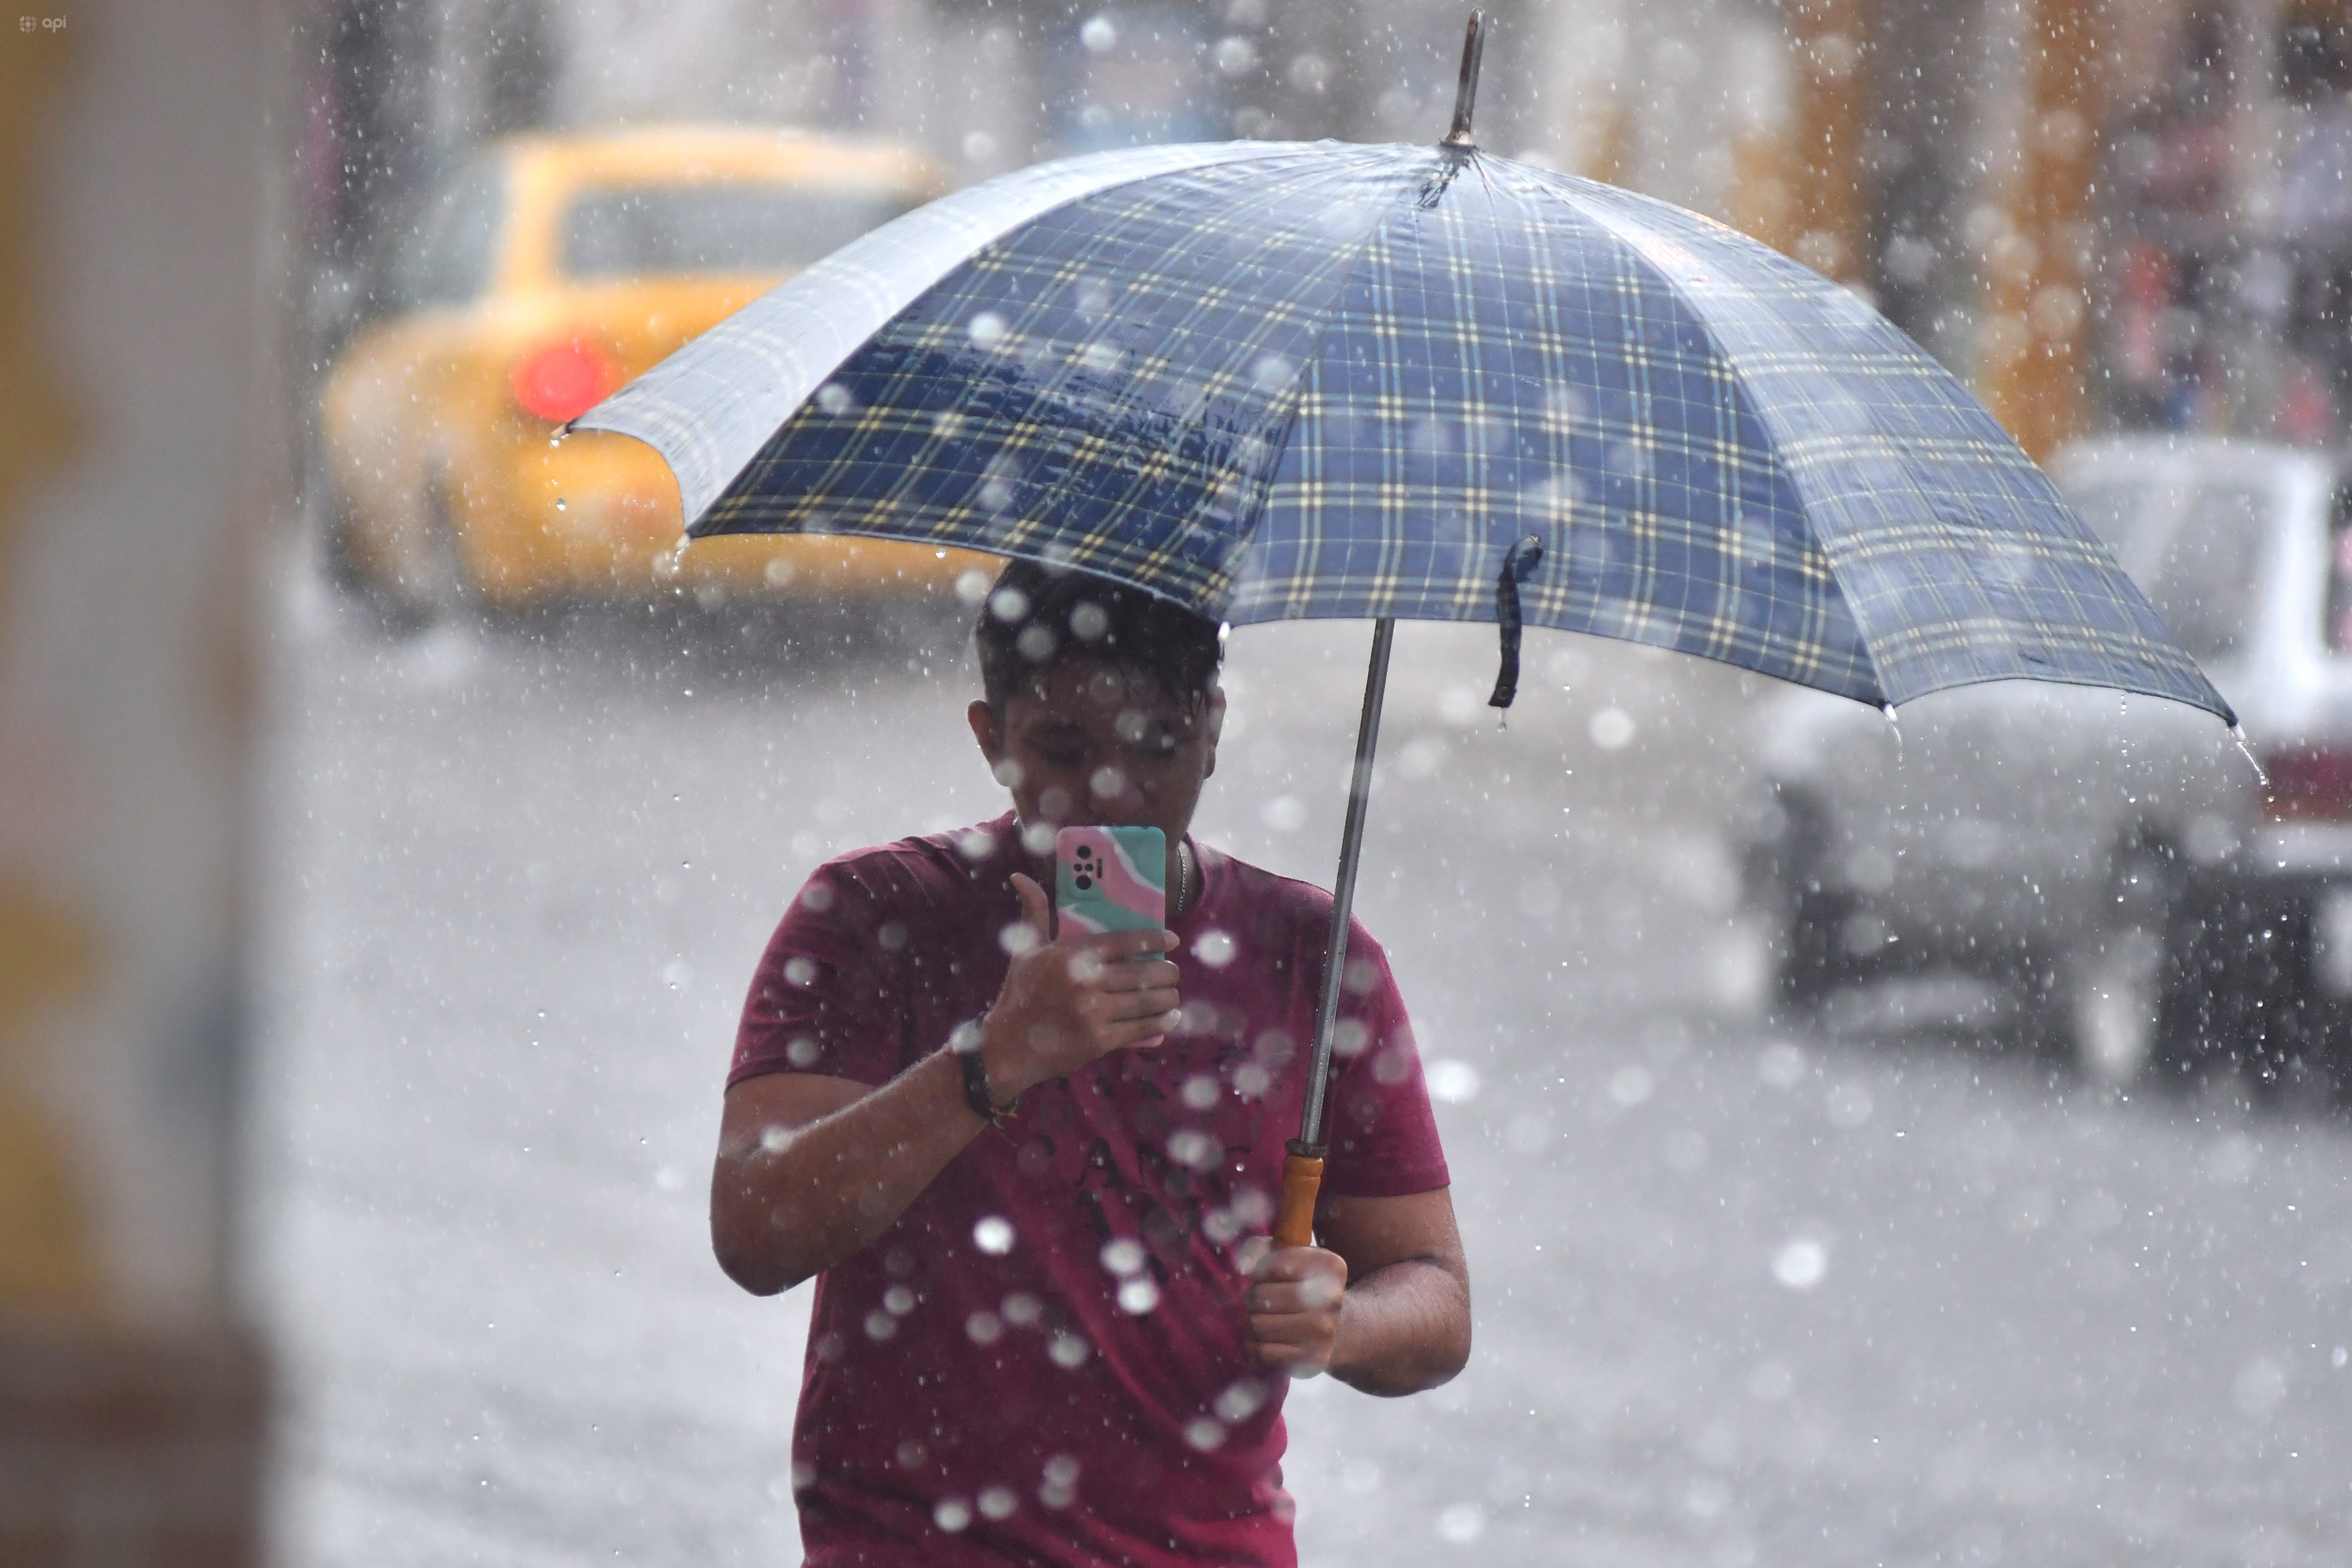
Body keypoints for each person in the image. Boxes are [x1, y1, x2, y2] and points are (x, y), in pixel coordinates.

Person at [710, 559, 1470, 1566]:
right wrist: (991, 1060)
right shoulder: (872, 915)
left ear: (1213, 728)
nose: (1113, 788)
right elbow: (755, 1228)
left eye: (1157, 744)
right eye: (1063, 747)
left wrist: (1341, 1321)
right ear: (991, 739)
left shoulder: (1313, 958)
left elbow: (1435, 1293)